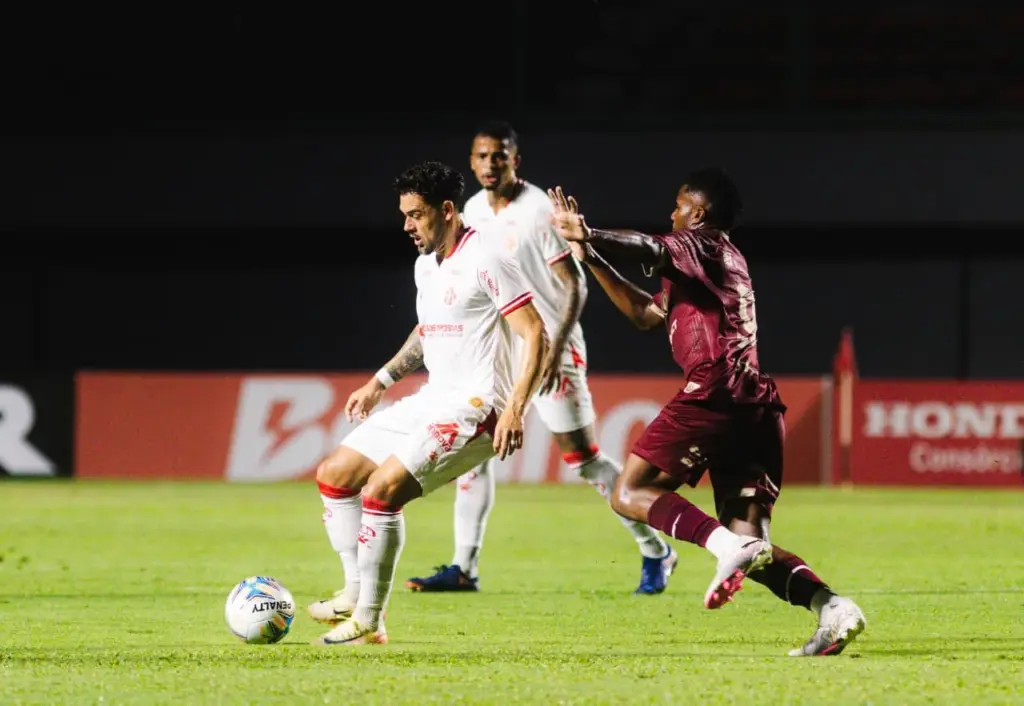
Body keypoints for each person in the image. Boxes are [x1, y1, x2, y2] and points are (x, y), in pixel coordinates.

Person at [547, 170, 867, 656]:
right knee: (750, 545)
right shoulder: (711, 263)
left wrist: (591, 233)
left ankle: (724, 548)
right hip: (754, 405)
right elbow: (646, 316)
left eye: (677, 207)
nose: (670, 215)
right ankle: (832, 608)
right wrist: (590, 256)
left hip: (715, 391)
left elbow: (649, 247)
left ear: (698, 214)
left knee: (629, 490)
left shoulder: (702, 245)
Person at [405, 121, 677, 596]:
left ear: (516, 160)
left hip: (549, 344)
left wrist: (557, 344)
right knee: (473, 458)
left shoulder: (538, 212)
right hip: (499, 351)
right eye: (483, 156)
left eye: (500, 156)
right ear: (472, 162)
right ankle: (463, 567)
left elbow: (575, 284)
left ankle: (655, 548)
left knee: (584, 458)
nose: (491, 164)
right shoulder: (468, 211)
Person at [307, 161, 549, 646]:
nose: (406, 226)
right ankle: (355, 593)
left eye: (416, 215)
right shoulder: (425, 266)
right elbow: (427, 331)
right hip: (432, 398)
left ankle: (369, 622)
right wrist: (381, 379)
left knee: (382, 491)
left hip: (478, 407)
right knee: (334, 474)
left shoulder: (487, 256)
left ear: (445, 210)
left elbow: (534, 332)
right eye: (404, 215)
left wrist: (517, 409)